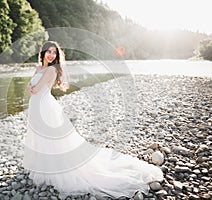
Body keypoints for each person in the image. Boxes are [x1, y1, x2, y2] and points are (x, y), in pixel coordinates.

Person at [23, 41, 163, 199]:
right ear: (42, 53)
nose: (51, 55)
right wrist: (31, 88)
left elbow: (34, 88)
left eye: (54, 53)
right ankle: (42, 163)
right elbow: (30, 88)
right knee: (39, 133)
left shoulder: (51, 70)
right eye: (48, 52)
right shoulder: (38, 68)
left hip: (45, 106)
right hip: (36, 106)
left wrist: (31, 88)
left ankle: (53, 166)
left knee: (51, 137)